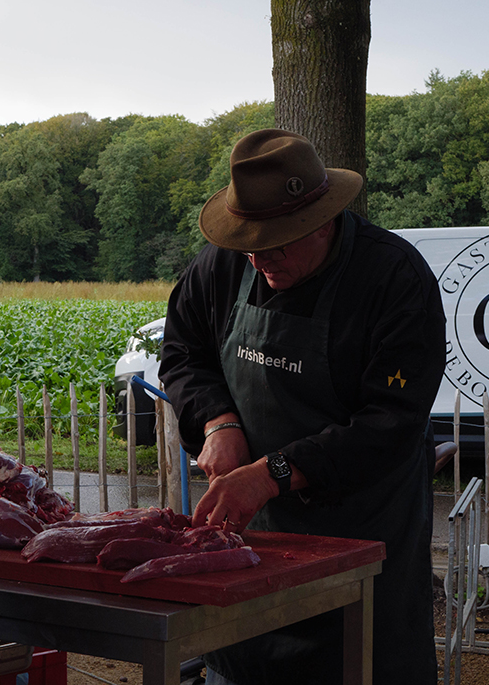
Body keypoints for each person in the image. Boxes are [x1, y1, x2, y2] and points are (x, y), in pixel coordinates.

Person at [158, 128, 446, 685]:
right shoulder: (220, 267)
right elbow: (182, 354)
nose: (261, 260)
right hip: (249, 540)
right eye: (250, 245)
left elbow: (390, 422)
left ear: (323, 220)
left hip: (362, 543)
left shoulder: (393, 279)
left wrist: (270, 474)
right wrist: (217, 420)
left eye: (278, 244)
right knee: (242, 665)